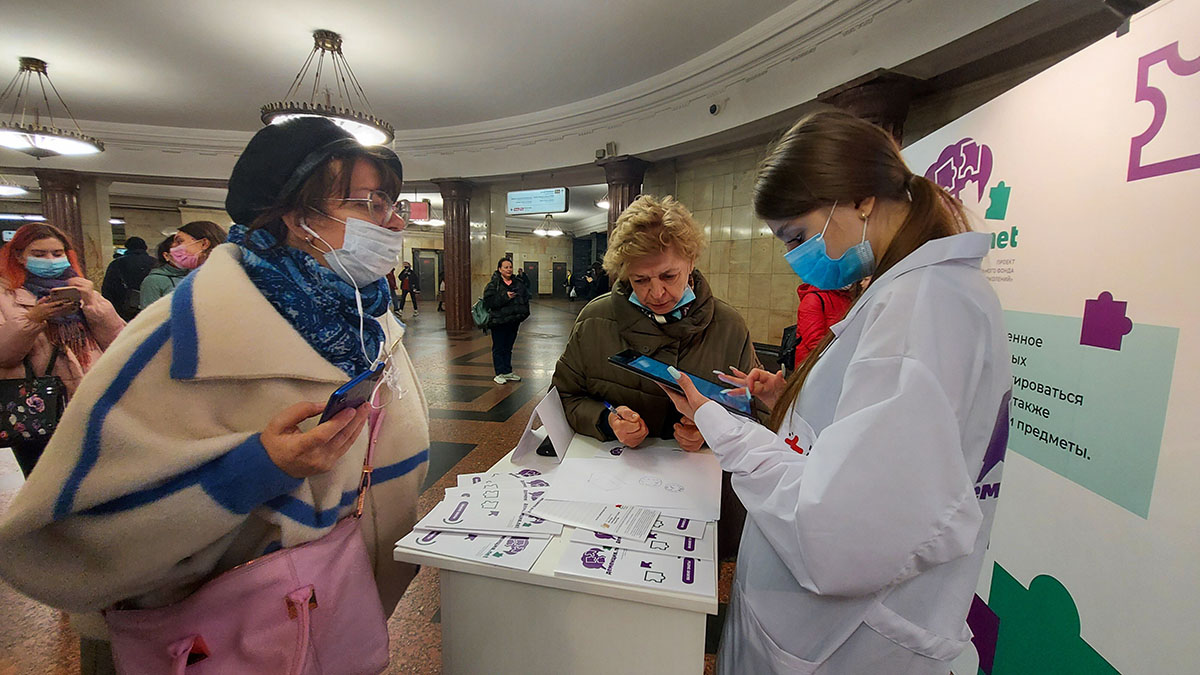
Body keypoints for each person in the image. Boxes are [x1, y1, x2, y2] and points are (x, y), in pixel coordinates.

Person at [0, 117, 429, 671]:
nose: (394, 222)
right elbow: (59, 544)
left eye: (393, 203)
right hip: (231, 640)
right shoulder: (182, 334)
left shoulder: (366, 318)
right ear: (296, 217)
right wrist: (254, 468)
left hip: (338, 616)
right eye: (370, 203)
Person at [658, 111, 1011, 673]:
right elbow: (874, 438)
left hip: (845, 639)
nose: (795, 256)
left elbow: (837, 529)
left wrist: (717, 423)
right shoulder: (908, 293)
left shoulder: (923, 307)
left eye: (797, 236)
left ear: (859, 199)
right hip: (818, 627)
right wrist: (789, 402)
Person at [551, 194, 761, 558]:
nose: (656, 292)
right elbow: (564, 397)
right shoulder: (595, 320)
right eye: (640, 280)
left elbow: (757, 416)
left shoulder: (728, 327)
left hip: (700, 504)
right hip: (613, 498)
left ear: (691, 261)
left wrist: (711, 433)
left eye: (668, 275)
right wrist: (606, 420)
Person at [0, 222, 125, 477]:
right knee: (43, 480)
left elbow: (120, 343)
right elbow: (4, 355)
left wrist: (92, 304)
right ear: (19, 256)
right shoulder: (6, 295)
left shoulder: (81, 288)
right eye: (39, 254)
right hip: (36, 405)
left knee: (95, 478)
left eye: (57, 254)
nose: (50, 260)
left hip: (88, 398)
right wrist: (33, 319)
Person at [139, 220, 226, 309]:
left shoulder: (222, 278)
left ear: (204, 244)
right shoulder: (201, 276)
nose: (174, 248)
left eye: (180, 241)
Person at [483, 257, 529, 385]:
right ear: (500, 269)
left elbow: (525, 298)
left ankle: (508, 371)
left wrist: (523, 314)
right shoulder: (494, 284)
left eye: (510, 267)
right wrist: (505, 297)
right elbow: (489, 302)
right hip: (499, 322)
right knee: (499, 347)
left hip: (513, 321)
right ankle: (499, 373)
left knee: (508, 347)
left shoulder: (518, 283)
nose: (509, 270)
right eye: (505, 267)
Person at [792, 281, 855, 366]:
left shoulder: (846, 297)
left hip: (836, 359)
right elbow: (814, 341)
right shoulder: (813, 298)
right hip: (814, 363)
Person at [99, 236, 154, 321]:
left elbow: (108, 288)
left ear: (127, 247)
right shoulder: (155, 263)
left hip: (124, 308)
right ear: (145, 247)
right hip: (152, 306)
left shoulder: (117, 263)